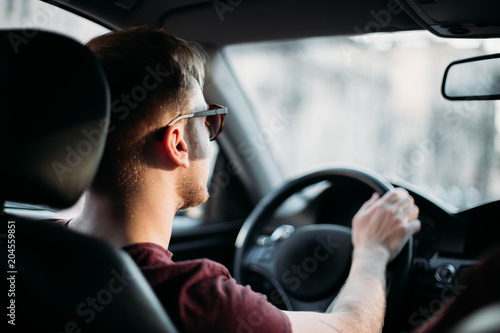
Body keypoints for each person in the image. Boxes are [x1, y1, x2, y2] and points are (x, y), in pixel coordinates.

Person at [67, 26, 421, 333]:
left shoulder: (23, 247)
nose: (210, 134)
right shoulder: (196, 299)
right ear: (178, 143)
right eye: (206, 120)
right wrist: (372, 252)